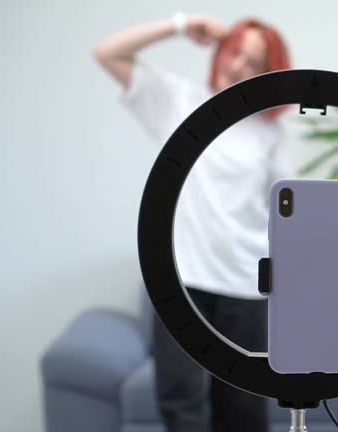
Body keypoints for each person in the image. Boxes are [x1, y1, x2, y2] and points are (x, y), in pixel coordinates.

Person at [92, 13, 292, 432]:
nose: (238, 65)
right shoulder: (180, 101)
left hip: (246, 286)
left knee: (244, 412)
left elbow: (284, 215)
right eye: (235, 51)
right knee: (181, 404)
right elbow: (106, 53)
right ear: (220, 51)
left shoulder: (270, 133)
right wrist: (180, 26)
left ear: (267, 73)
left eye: (253, 61)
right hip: (182, 282)